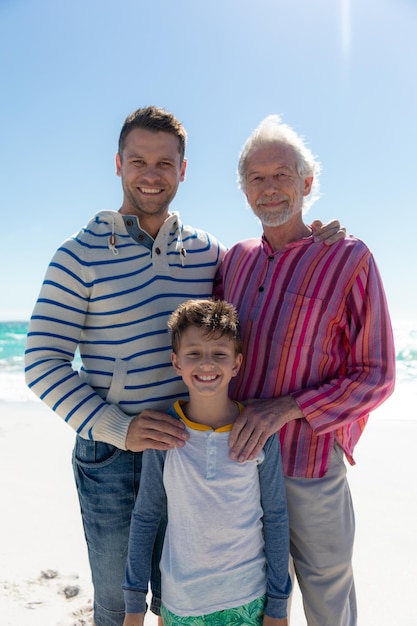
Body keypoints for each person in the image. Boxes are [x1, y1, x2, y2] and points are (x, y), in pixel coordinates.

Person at [24, 105, 344, 626]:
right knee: (116, 606)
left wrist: (313, 240)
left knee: (189, 598)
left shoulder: (205, 252)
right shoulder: (77, 255)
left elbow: (259, 272)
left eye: (165, 163)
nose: (152, 175)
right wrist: (120, 429)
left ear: (183, 169)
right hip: (113, 459)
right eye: (138, 161)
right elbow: (42, 361)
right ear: (118, 164)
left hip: (198, 448)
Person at [213, 114, 396, 626]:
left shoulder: (350, 257)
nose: (269, 188)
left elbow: (377, 373)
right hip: (237, 462)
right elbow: (206, 347)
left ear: (307, 183)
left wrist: (288, 409)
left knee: (327, 595)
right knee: (253, 597)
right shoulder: (233, 263)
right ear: (245, 190)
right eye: (257, 177)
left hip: (310, 465)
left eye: (282, 174)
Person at [122, 299, 292, 626]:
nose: (206, 364)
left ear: (237, 364)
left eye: (219, 354)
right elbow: (145, 516)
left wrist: (278, 604)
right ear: (176, 362)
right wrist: (134, 606)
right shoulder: (164, 434)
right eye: (194, 354)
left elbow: (275, 516)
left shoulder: (259, 433)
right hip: (180, 603)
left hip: (248, 599)